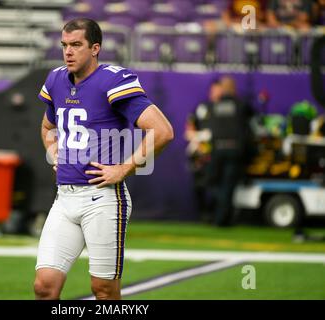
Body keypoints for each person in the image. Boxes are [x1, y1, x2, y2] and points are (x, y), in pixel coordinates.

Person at [34, 18, 174, 300]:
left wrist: (125, 168)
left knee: (104, 290)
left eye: (76, 45)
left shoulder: (112, 80)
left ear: (95, 48)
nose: (68, 52)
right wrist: (54, 153)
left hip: (103, 199)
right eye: (64, 45)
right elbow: (48, 127)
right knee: (44, 286)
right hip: (64, 198)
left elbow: (162, 131)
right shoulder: (57, 79)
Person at [207, 76, 254, 226]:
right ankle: (222, 220)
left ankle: (221, 217)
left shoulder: (214, 105)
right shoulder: (240, 105)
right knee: (228, 187)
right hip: (234, 151)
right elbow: (252, 118)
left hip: (217, 150)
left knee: (214, 183)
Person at [185, 79, 223, 222]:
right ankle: (204, 214)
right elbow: (190, 127)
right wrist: (199, 138)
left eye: (219, 90)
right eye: (215, 90)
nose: (217, 93)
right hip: (201, 154)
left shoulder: (226, 108)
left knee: (217, 187)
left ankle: (215, 214)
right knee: (200, 186)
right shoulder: (202, 107)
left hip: (218, 154)